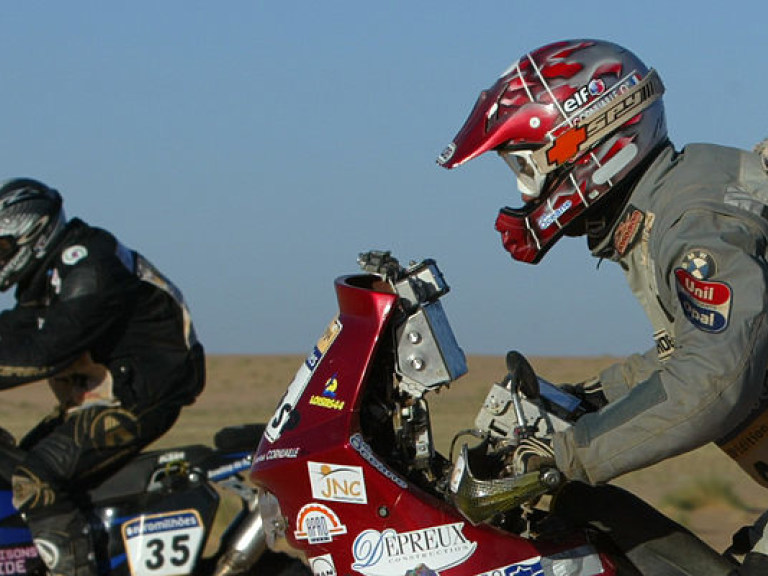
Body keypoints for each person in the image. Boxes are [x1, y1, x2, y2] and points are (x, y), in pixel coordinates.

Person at [437, 39, 768, 574]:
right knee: (597, 521)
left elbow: (714, 380)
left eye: (527, 168)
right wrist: (585, 402)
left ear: (589, 146)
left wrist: (561, 459)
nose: (525, 194)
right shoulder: (671, 204)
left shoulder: (693, 225)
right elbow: (692, 347)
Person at [0, 178, 205, 575]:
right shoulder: (44, 277)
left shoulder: (90, 264)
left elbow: (47, 351)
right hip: (100, 398)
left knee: (34, 479)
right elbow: (13, 332)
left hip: (142, 396)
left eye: (2, 247)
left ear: (32, 233)